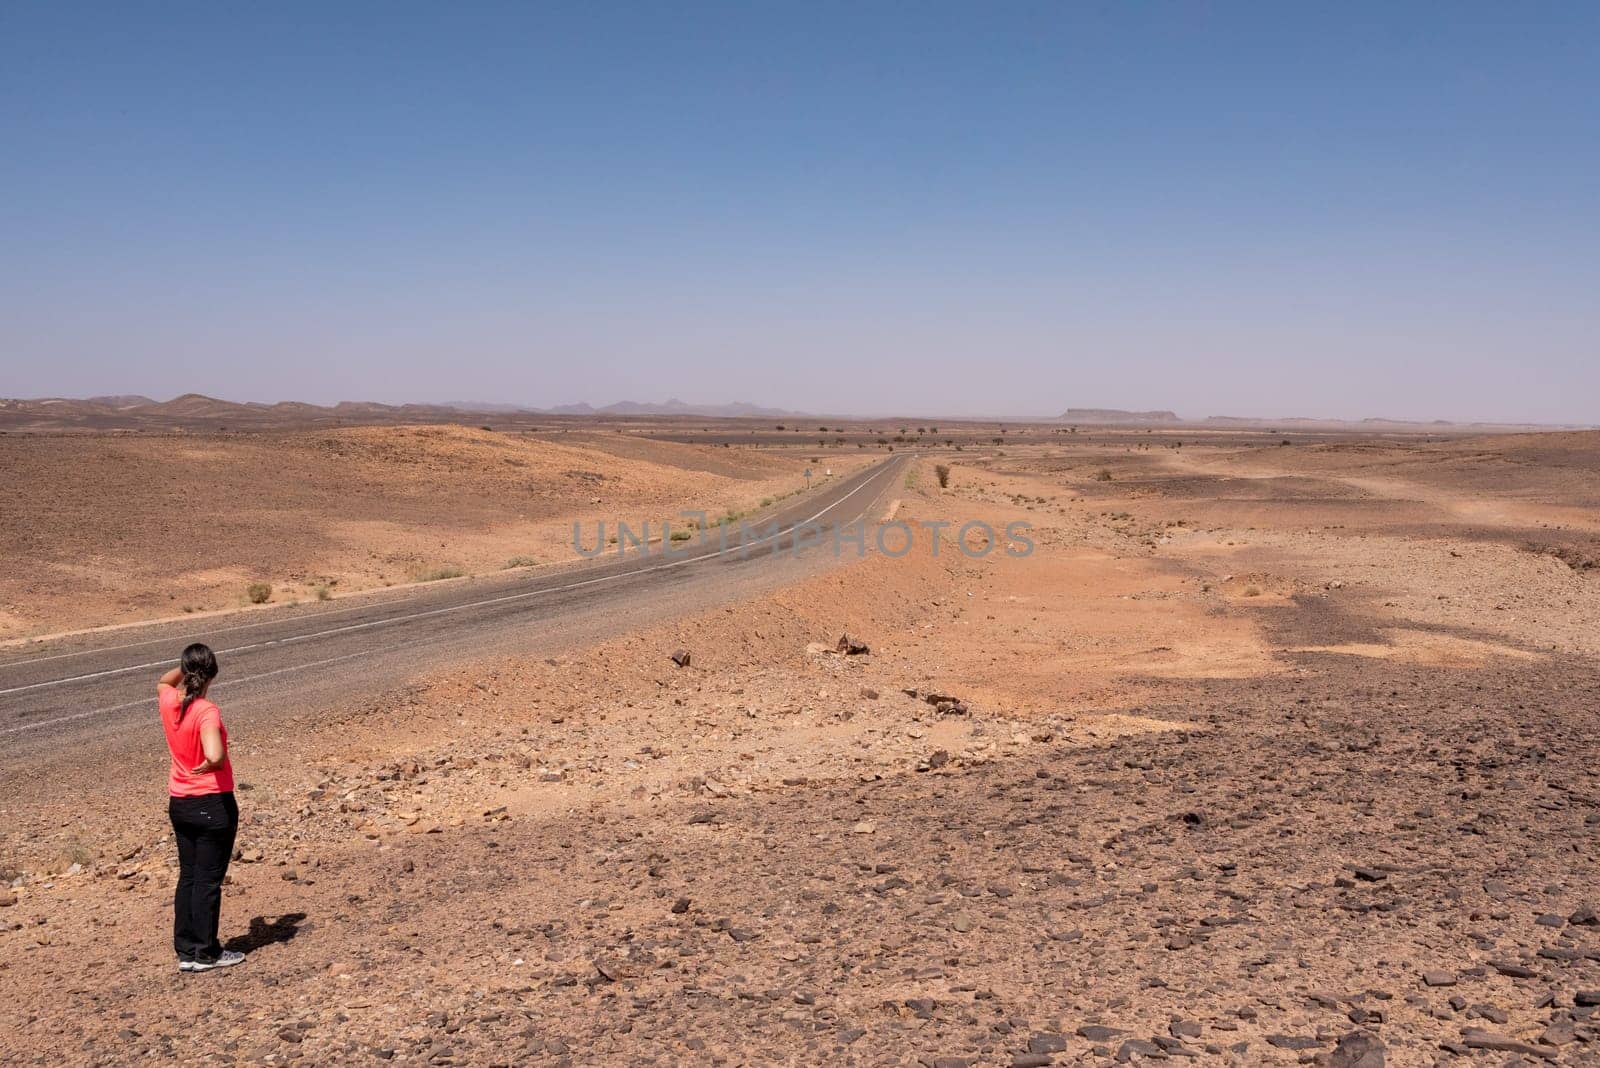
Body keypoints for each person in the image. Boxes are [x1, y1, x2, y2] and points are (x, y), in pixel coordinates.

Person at [157, 643, 244, 972]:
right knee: (208, 881)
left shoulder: (169, 702)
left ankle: (186, 951)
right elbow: (215, 753)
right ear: (212, 675)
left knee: (189, 877)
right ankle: (206, 953)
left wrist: (185, 664)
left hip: (180, 802)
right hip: (211, 802)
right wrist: (212, 762)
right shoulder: (206, 710)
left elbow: (164, 682)